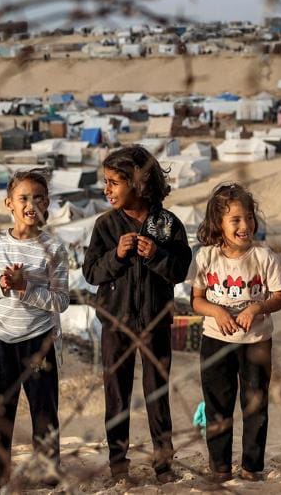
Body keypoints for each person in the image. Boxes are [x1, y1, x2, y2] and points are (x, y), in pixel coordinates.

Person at [83, 146, 192, 483]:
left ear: (138, 183)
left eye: (115, 182)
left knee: (156, 393)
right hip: (115, 323)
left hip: (155, 322)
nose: (107, 189)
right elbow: (91, 273)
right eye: (106, 182)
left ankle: (163, 464)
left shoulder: (167, 224)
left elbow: (180, 270)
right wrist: (116, 256)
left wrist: (157, 255)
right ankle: (118, 464)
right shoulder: (105, 225)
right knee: (116, 394)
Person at [0, 169, 68, 488]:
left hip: (39, 342)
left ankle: (48, 472)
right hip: (1, 339)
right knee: (1, 410)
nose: (31, 204)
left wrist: (25, 288)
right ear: (8, 203)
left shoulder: (54, 248)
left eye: (38, 197)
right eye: (23, 198)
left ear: (47, 203)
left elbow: (61, 300)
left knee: (43, 410)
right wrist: (1, 282)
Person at [190, 183, 281, 482]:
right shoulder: (206, 258)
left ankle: (252, 468)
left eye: (248, 217)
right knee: (217, 406)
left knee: (255, 406)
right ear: (218, 224)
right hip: (215, 342)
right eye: (235, 220)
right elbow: (196, 300)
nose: (244, 225)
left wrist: (256, 308)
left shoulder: (264, 258)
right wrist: (218, 311)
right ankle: (220, 467)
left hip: (256, 343)